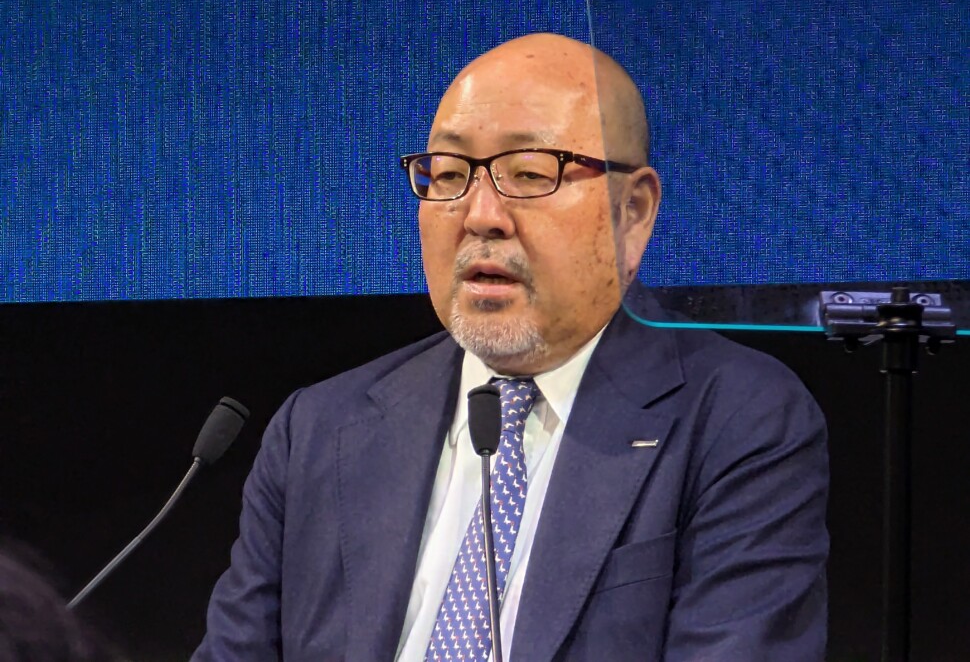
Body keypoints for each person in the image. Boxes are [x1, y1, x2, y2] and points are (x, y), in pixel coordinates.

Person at [193, 33, 828, 661]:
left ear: (632, 212)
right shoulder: (318, 429)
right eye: (448, 174)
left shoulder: (739, 422)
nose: (480, 216)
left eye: (528, 173)